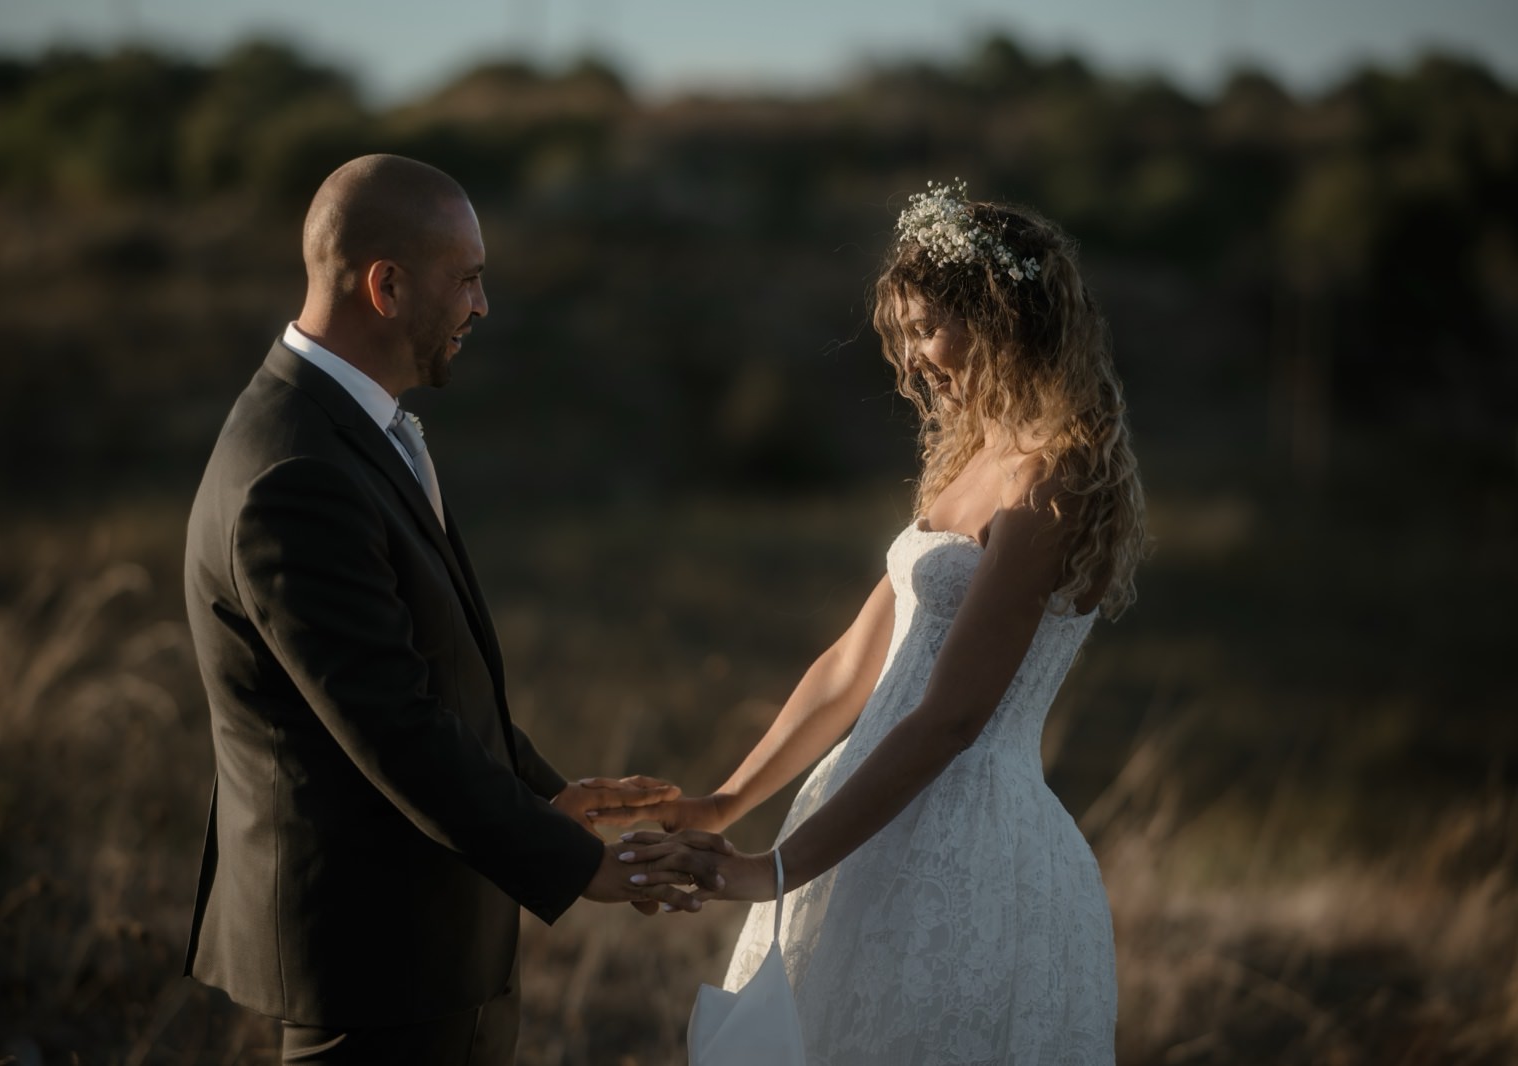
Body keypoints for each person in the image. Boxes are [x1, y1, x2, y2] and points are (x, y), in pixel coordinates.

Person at [182, 153, 710, 1066]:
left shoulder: (346, 426)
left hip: (427, 950)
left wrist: (545, 795)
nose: (482, 306)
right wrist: (583, 867)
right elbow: (392, 727)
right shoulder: (295, 474)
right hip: (373, 963)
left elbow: (431, 674)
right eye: (466, 280)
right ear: (386, 287)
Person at [616, 181, 1147, 1064]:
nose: (913, 356)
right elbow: (848, 668)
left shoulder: (1057, 476)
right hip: (866, 816)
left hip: (964, 844)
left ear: (1000, 316)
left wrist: (772, 872)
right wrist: (724, 804)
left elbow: (952, 720)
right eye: (904, 331)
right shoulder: (972, 460)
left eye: (928, 326)